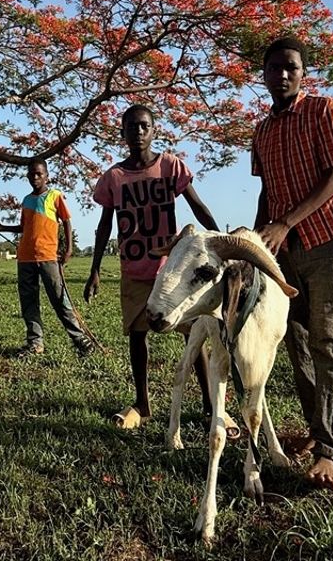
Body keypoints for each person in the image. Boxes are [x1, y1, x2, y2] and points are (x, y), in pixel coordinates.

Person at [252, 36, 333, 492]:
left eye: (291, 68)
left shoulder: (325, 110)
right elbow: (267, 193)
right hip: (286, 248)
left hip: (328, 238)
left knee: (327, 339)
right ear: (263, 74)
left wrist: (285, 222)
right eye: (274, 67)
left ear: (303, 73)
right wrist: (257, 244)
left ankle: (328, 453)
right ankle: (318, 430)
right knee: (294, 341)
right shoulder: (262, 132)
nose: (282, 74)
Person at [84, 105, 235, 436]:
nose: (138, 132)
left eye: (144, 126)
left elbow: (197, 205)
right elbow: (104, 226)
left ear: (154, 130)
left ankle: (211, 406)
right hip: (134, 269)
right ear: (122, 133)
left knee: (194, 336)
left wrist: (224, 245)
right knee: (137, 336)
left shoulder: (169, 166)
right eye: (131, 127)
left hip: (173, 272)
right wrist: (94, 269)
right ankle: (142, 403)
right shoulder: (114, 178)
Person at [0, 161, 93, 358]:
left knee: (60, 299)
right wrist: (2, 228)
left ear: (46, 176)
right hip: (25, 258)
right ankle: (35, 343)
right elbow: (23, 227)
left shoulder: (55, 196)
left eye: (38, 174)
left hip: (48, 257)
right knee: (29, 301)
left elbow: (67, 221)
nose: (34, 178)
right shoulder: (27, 200)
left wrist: (68, 249)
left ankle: (80, 340)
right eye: (31, 174)